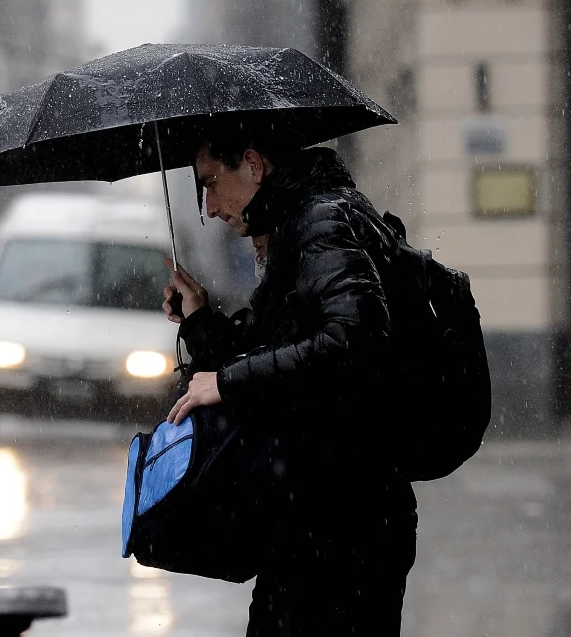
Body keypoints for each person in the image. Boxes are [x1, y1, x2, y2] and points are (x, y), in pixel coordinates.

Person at [160, 129, 417, 637]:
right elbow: (279, 354)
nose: (208, 207)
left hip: (343, 524)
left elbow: (353, 341)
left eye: (210, 184)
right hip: (318, 517)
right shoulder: (296, 229)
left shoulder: (320, 223)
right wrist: (199, 323)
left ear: (253, 164)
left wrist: (228, 382)